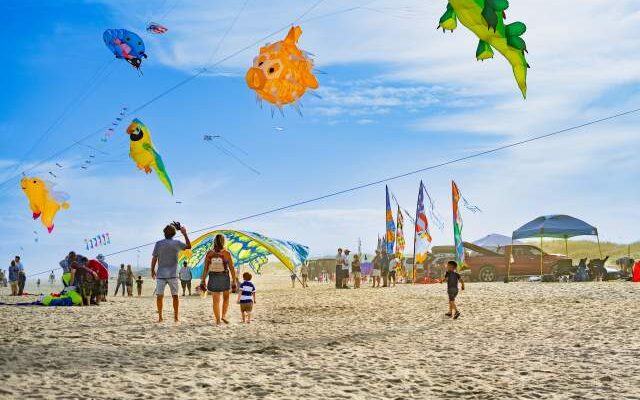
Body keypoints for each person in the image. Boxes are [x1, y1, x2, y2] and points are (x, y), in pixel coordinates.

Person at [151, 223, 191, 322]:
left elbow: (154, 258)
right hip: (172, 275)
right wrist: (184, 233)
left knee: (160, 296)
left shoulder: (159, 243)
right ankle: (176, 317)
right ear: (174, 233)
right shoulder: (177, 243)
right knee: (175, 296)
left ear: (164, 233)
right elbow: (189, 246)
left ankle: (160, 317)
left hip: (161, 275)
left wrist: (152, 270)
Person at [200, 234, 236, 325]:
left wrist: (203, 280)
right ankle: (223, 316)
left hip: (213, 277)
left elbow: (205, 269)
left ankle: (218, 320)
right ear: (224, 242)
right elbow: (231, 268)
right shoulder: (226, 253)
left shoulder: (209, 253)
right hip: (224, 276)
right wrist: (234, 280)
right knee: (226, 298)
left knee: (215, 301)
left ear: (214, 242)